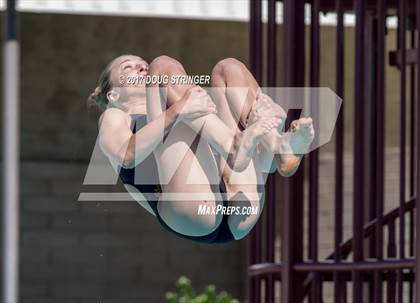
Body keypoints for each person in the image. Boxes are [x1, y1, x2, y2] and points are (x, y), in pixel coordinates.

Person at [88, 54, 314, 243]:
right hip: (191, 209)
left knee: (228, 68)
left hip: (239, 203)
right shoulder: (114, 116)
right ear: (113, 95)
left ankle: (277, 146)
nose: (140, 67)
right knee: (162, 65)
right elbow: (127, 156)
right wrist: (177, 111)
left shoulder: (181, 107)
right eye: (127, 68)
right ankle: (236, 144)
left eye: (141, 64)